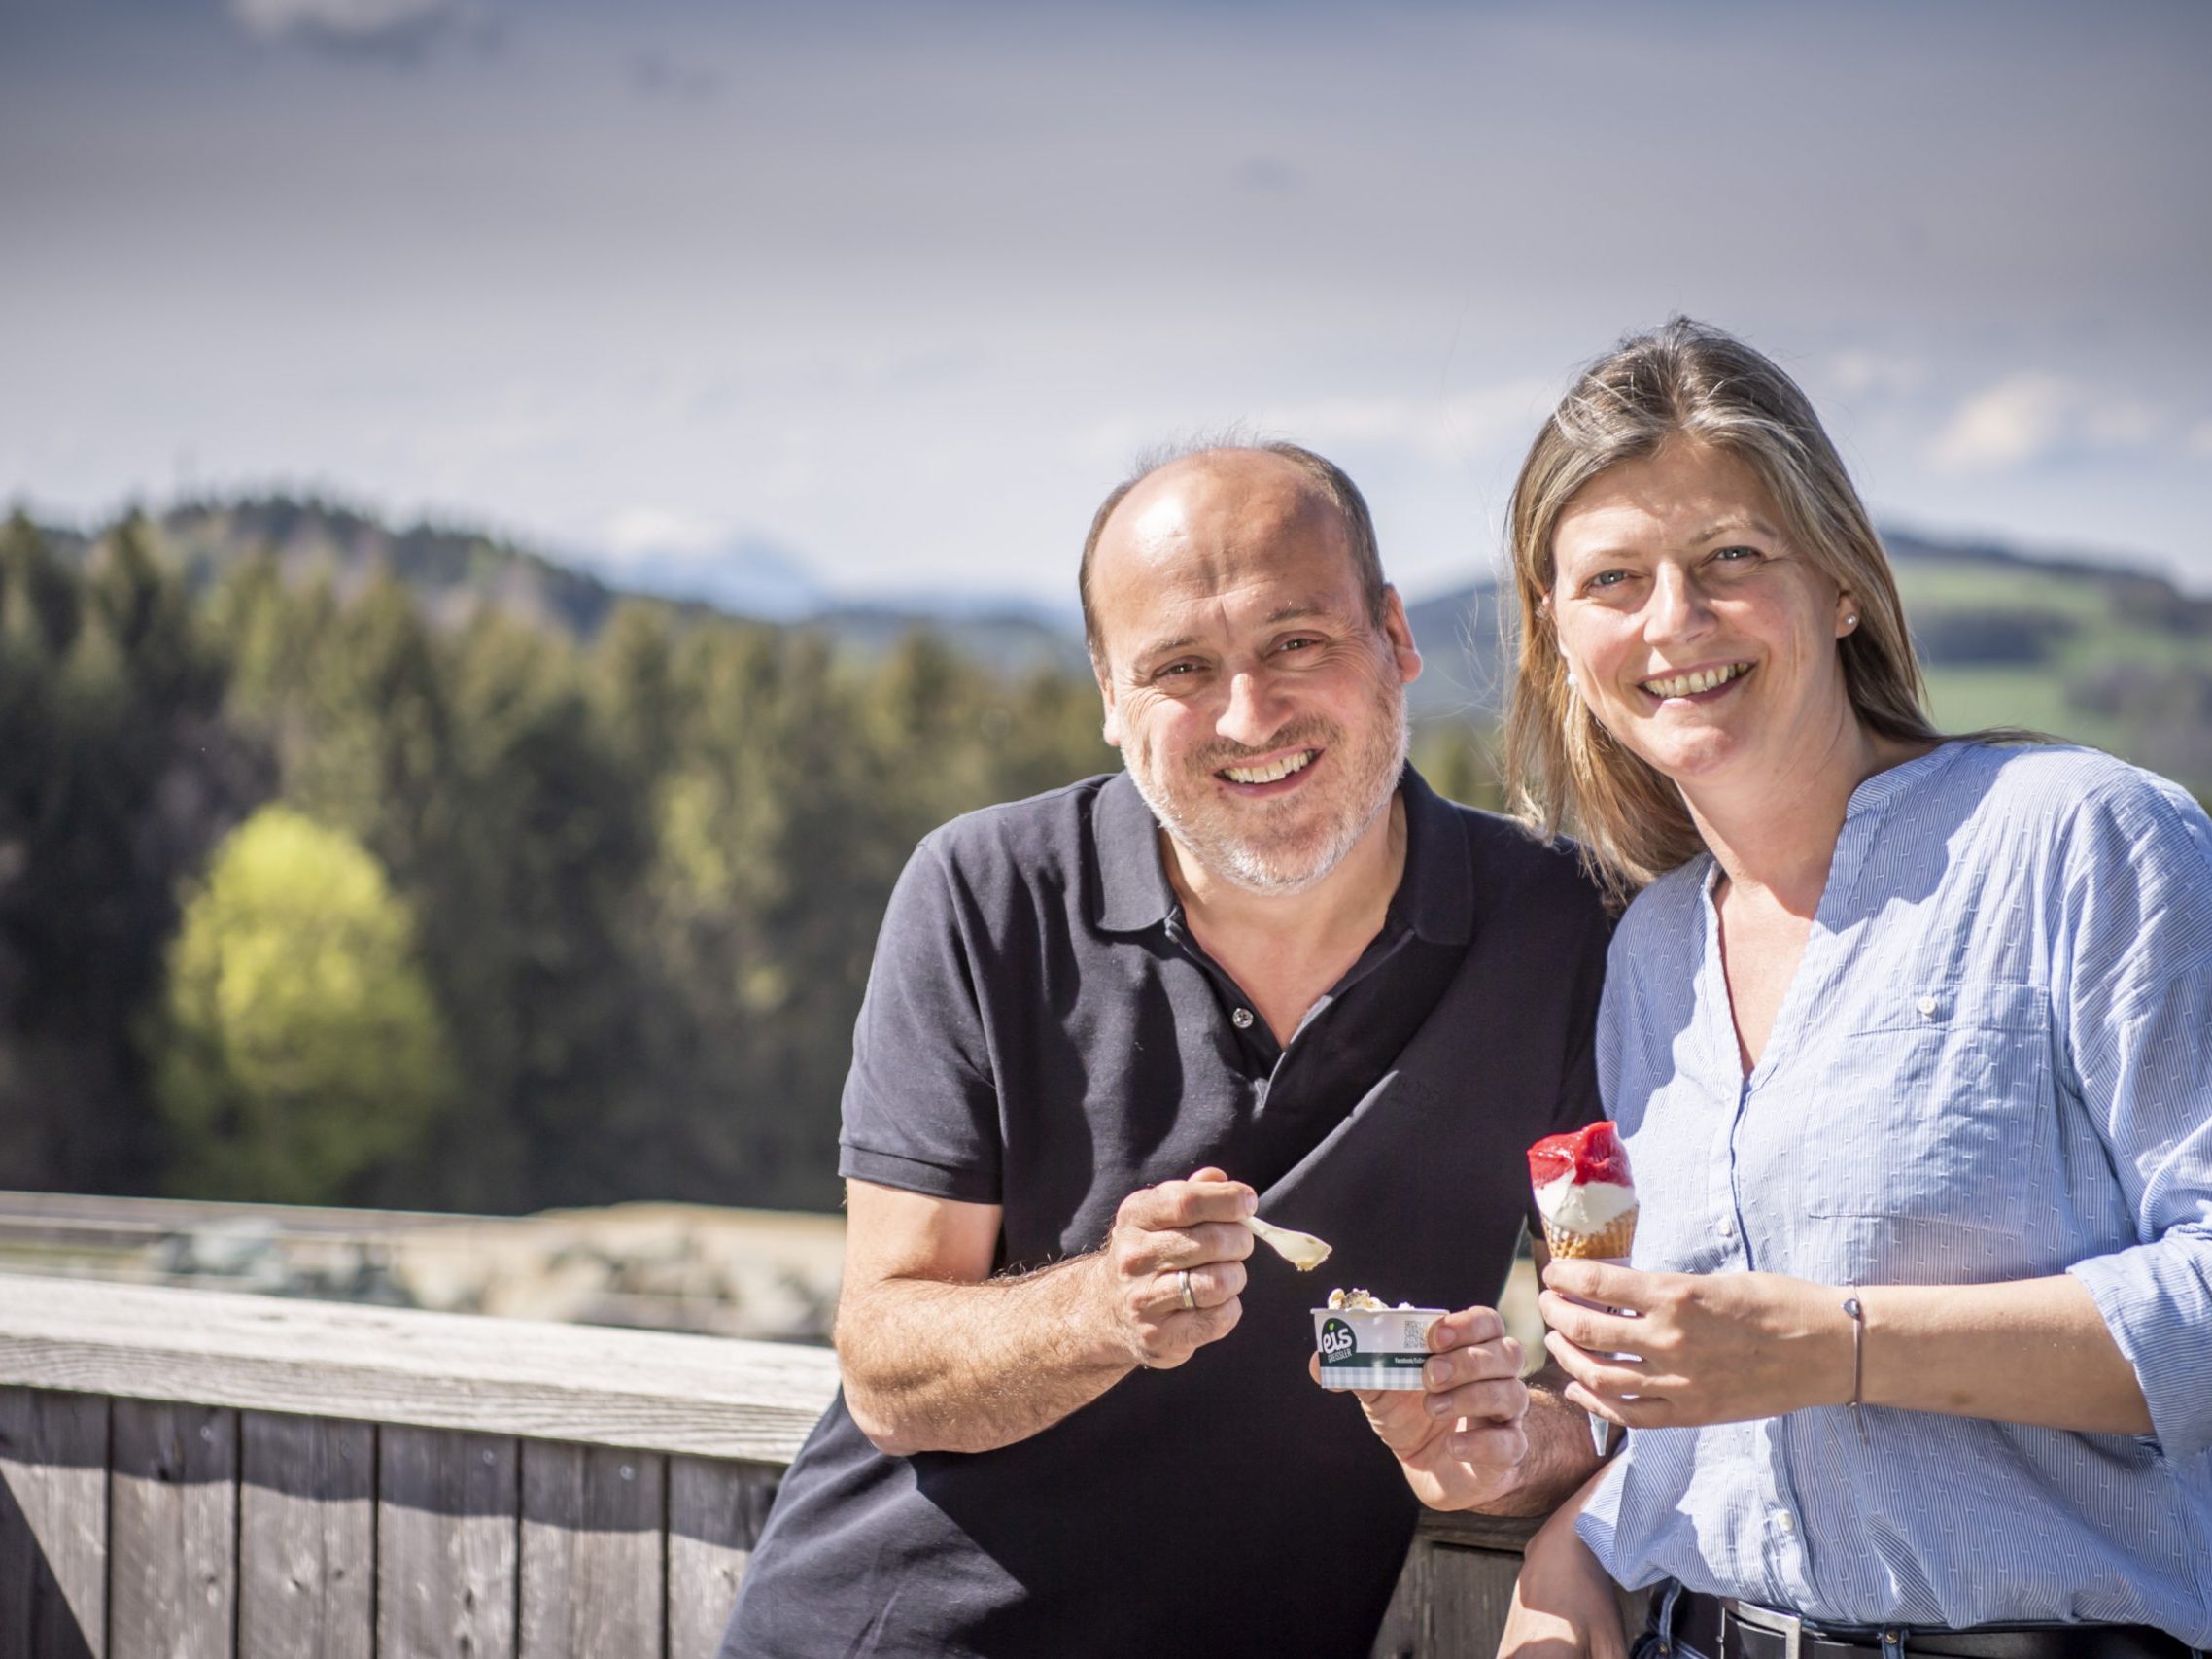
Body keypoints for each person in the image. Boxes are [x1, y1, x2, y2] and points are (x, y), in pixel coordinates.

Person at [1390, 318, 2211, 1659]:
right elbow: (1697, 1400)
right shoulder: (1648, 956)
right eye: (1614, 580)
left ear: (1838, 579)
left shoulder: (2084, 839)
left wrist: (1843, 1341)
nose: (1675, 622)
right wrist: (1564, 1503)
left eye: (1729, 558)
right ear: (1558, 635)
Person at [720, 442, 1615, 1657]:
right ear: (1107, 695)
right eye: (1179, 669)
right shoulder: (985, 891)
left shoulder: (1558, 926)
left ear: (1393, 636)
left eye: (1295, 642)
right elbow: (885, 1362)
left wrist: (1510, 1446)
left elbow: (1614, 1374)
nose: (1248, 716)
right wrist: (1100, 1309)